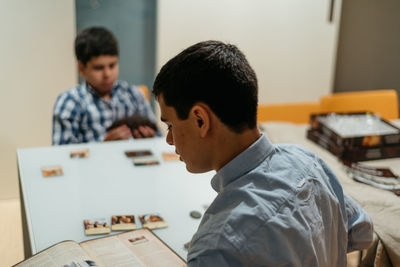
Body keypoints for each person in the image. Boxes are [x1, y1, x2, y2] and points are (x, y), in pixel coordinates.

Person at [153, 40, 373, 266]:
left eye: (170, 125)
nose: (169, 139)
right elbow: (362, 231)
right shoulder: (308, 161)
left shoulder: (216, 247)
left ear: (201, 120)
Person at [52, 26, 158, 145]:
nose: (107, 74)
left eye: (112, 65)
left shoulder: (133, 94)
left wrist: (150, 139)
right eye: (98, 68)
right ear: (81, 68)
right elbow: (62, 154)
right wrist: (103, 145)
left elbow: (160, 140)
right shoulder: (69, 102)